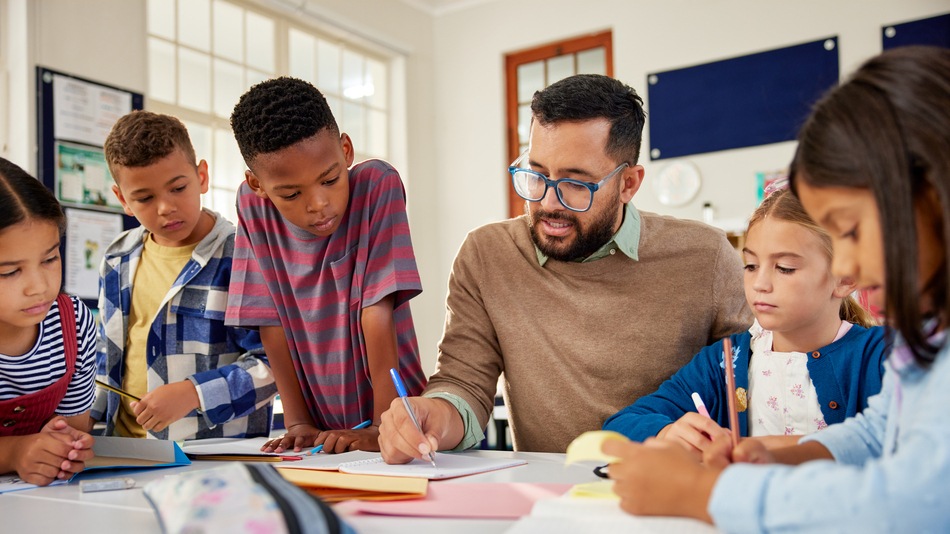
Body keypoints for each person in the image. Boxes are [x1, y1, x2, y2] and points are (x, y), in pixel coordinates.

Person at [603, 46, 950, 531]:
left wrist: (704, 493)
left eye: (851, 231)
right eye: (751, 265)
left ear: (933, 200)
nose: (847, 267)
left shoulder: (886, 346)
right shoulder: (932, 338)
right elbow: (879, 431)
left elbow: (918, 504)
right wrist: (775, 456)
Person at [379, 74, 753, 461]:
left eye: (576, 183)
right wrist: (432, 416)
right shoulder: (487, 254)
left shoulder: (706, 257)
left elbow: (758, 381)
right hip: (550, 501)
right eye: (536, 174)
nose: (548, 202)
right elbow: (464, 383)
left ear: (628, 184)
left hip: (672, 488)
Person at [603, 189, 888, 455]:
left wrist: (763, 446)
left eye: (785, 268)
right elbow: (620, 425)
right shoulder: (726, 361)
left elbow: (903, 443)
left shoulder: (884, 356)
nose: (760, 284)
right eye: (750, 266)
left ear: (845, 279)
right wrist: (665, 432)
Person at [226, 77, 426, 454]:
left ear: (346, 150)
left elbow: (376, 310)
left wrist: (385, 424)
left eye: (330, 179)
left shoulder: (376, 186)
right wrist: (298, 421)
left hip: (403, 420)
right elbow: (270, 321)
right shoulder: (253, 209)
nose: (318, 203)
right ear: (257, 185)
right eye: (290, 194)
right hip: (322, 436)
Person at [94, 111, 276, 441]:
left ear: (202, 176)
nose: (165, 207)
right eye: (144, 198)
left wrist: (194, 393)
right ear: (122, 199)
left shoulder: (243, 255)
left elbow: (275, 366)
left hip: (210, 460)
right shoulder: (116, 258)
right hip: (121, 450)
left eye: (178, 188)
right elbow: (105, 360)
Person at [0, 157, 96, 485]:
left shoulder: (73, 323)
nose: (39, 287)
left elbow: (75, 428)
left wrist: (66, 447)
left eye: (50, 259)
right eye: (9, 272)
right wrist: (14, 452)